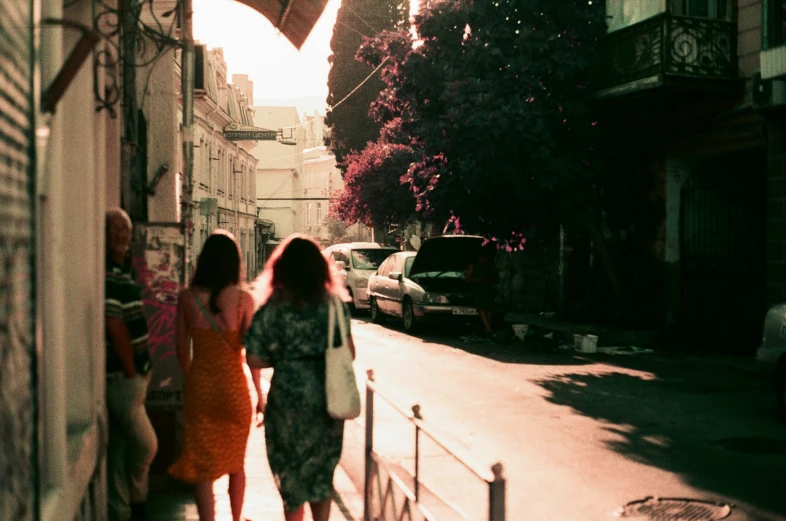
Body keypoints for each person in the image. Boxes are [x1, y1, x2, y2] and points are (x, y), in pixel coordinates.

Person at [244, 234, 355, 521]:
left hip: (286, 402)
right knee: (321, 478)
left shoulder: (274, 307)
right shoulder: (334, 306)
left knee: (291, 478)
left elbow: (253, 356)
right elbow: (349, 353)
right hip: (327, 401)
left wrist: (284, 358)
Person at [168, 231, 263, 521]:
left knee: (201, 465)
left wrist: (193, 379)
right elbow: (252, 354)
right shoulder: (244, 299)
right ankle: (235, 519)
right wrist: (260, 394)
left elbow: (182, 349)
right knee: (237, 462)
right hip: (234, 388)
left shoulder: (187, 298)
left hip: (202, 387)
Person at [105, 208, 158, 521]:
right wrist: (131, 369)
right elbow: (114, 323)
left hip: (134, 375)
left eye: (125, 229)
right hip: (124, 378)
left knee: (121, 448)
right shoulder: (108, 272)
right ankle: (138, 504)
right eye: (114, 230)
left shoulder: (122, 269)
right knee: (147, 444)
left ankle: (120, 508)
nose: (121, 235)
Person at [466, 244, 499, 337]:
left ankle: (487, 329)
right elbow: (468, 279)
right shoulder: (473, 265)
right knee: (482, 309)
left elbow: (496, 278)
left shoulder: (491, 265)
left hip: (488, 289)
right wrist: (480, 279)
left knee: (488, 309)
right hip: (479, 289)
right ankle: (489, 329)